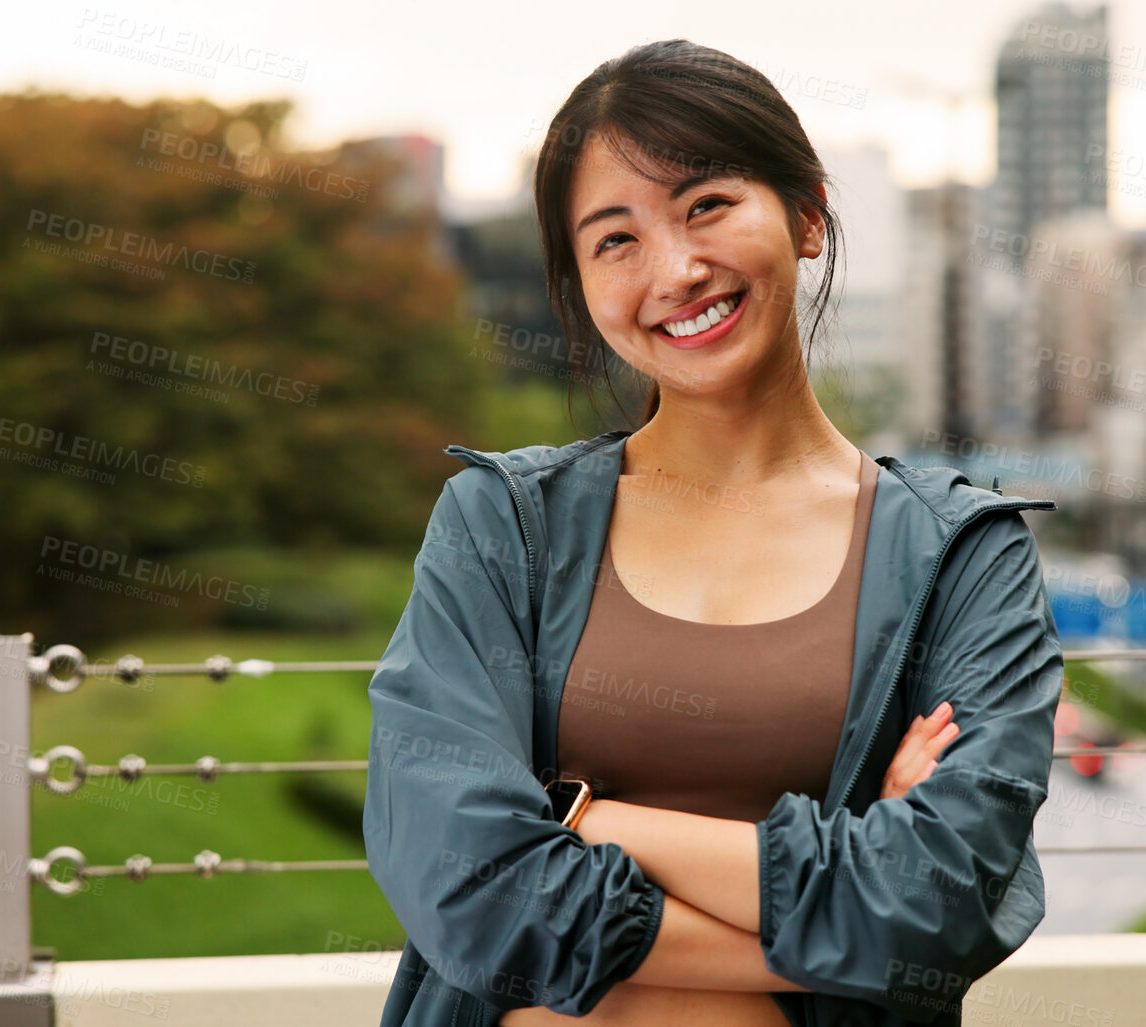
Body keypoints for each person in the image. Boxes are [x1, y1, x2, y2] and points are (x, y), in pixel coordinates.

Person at [364, 39, 1063, 1027]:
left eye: (707, 206)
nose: (677, 269)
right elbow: (458, 878)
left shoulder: (959, 556)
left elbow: (938, 907)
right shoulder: (504, 525)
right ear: (578, 281)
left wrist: (582, 818)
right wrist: (846, 912)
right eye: (616, 240)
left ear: (808, 215)